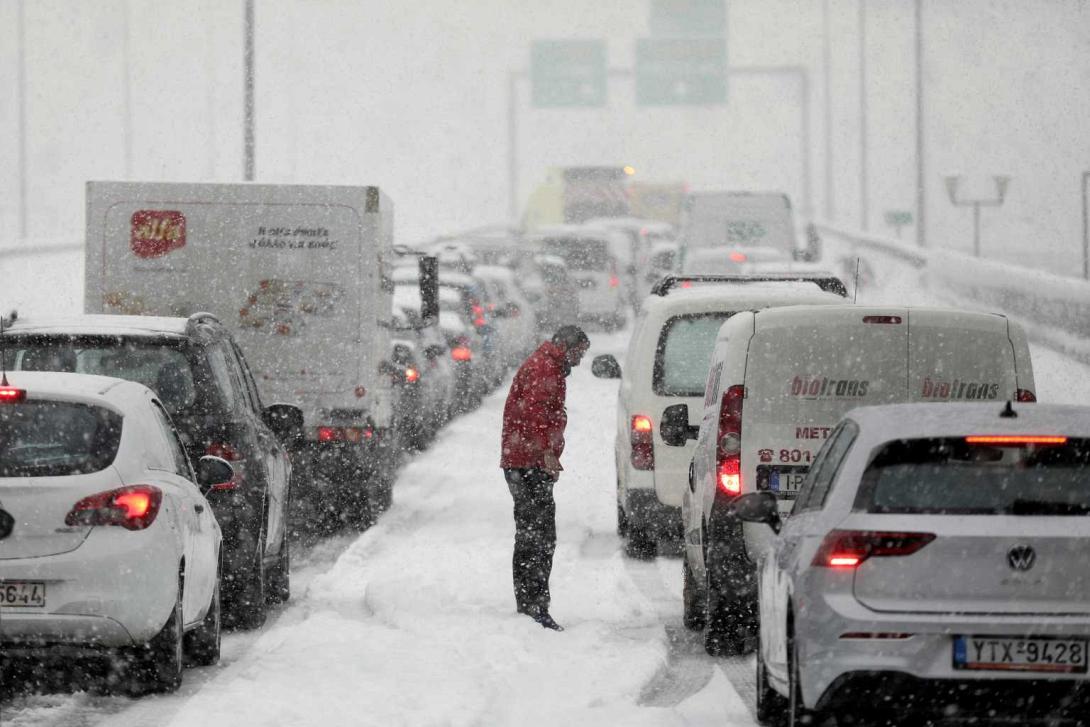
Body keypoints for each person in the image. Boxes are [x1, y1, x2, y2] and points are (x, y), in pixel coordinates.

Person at [500, 324, 590, 631]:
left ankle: (530, 604)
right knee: (539, 536)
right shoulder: (545, 369)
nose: (580, 360)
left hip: (523, 459)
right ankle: (534, 606)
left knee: (531, 533)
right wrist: (547, 455)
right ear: (566, 346)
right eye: (579, 352)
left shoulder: (545, 364)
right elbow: (537, 416)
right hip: (528, 463)